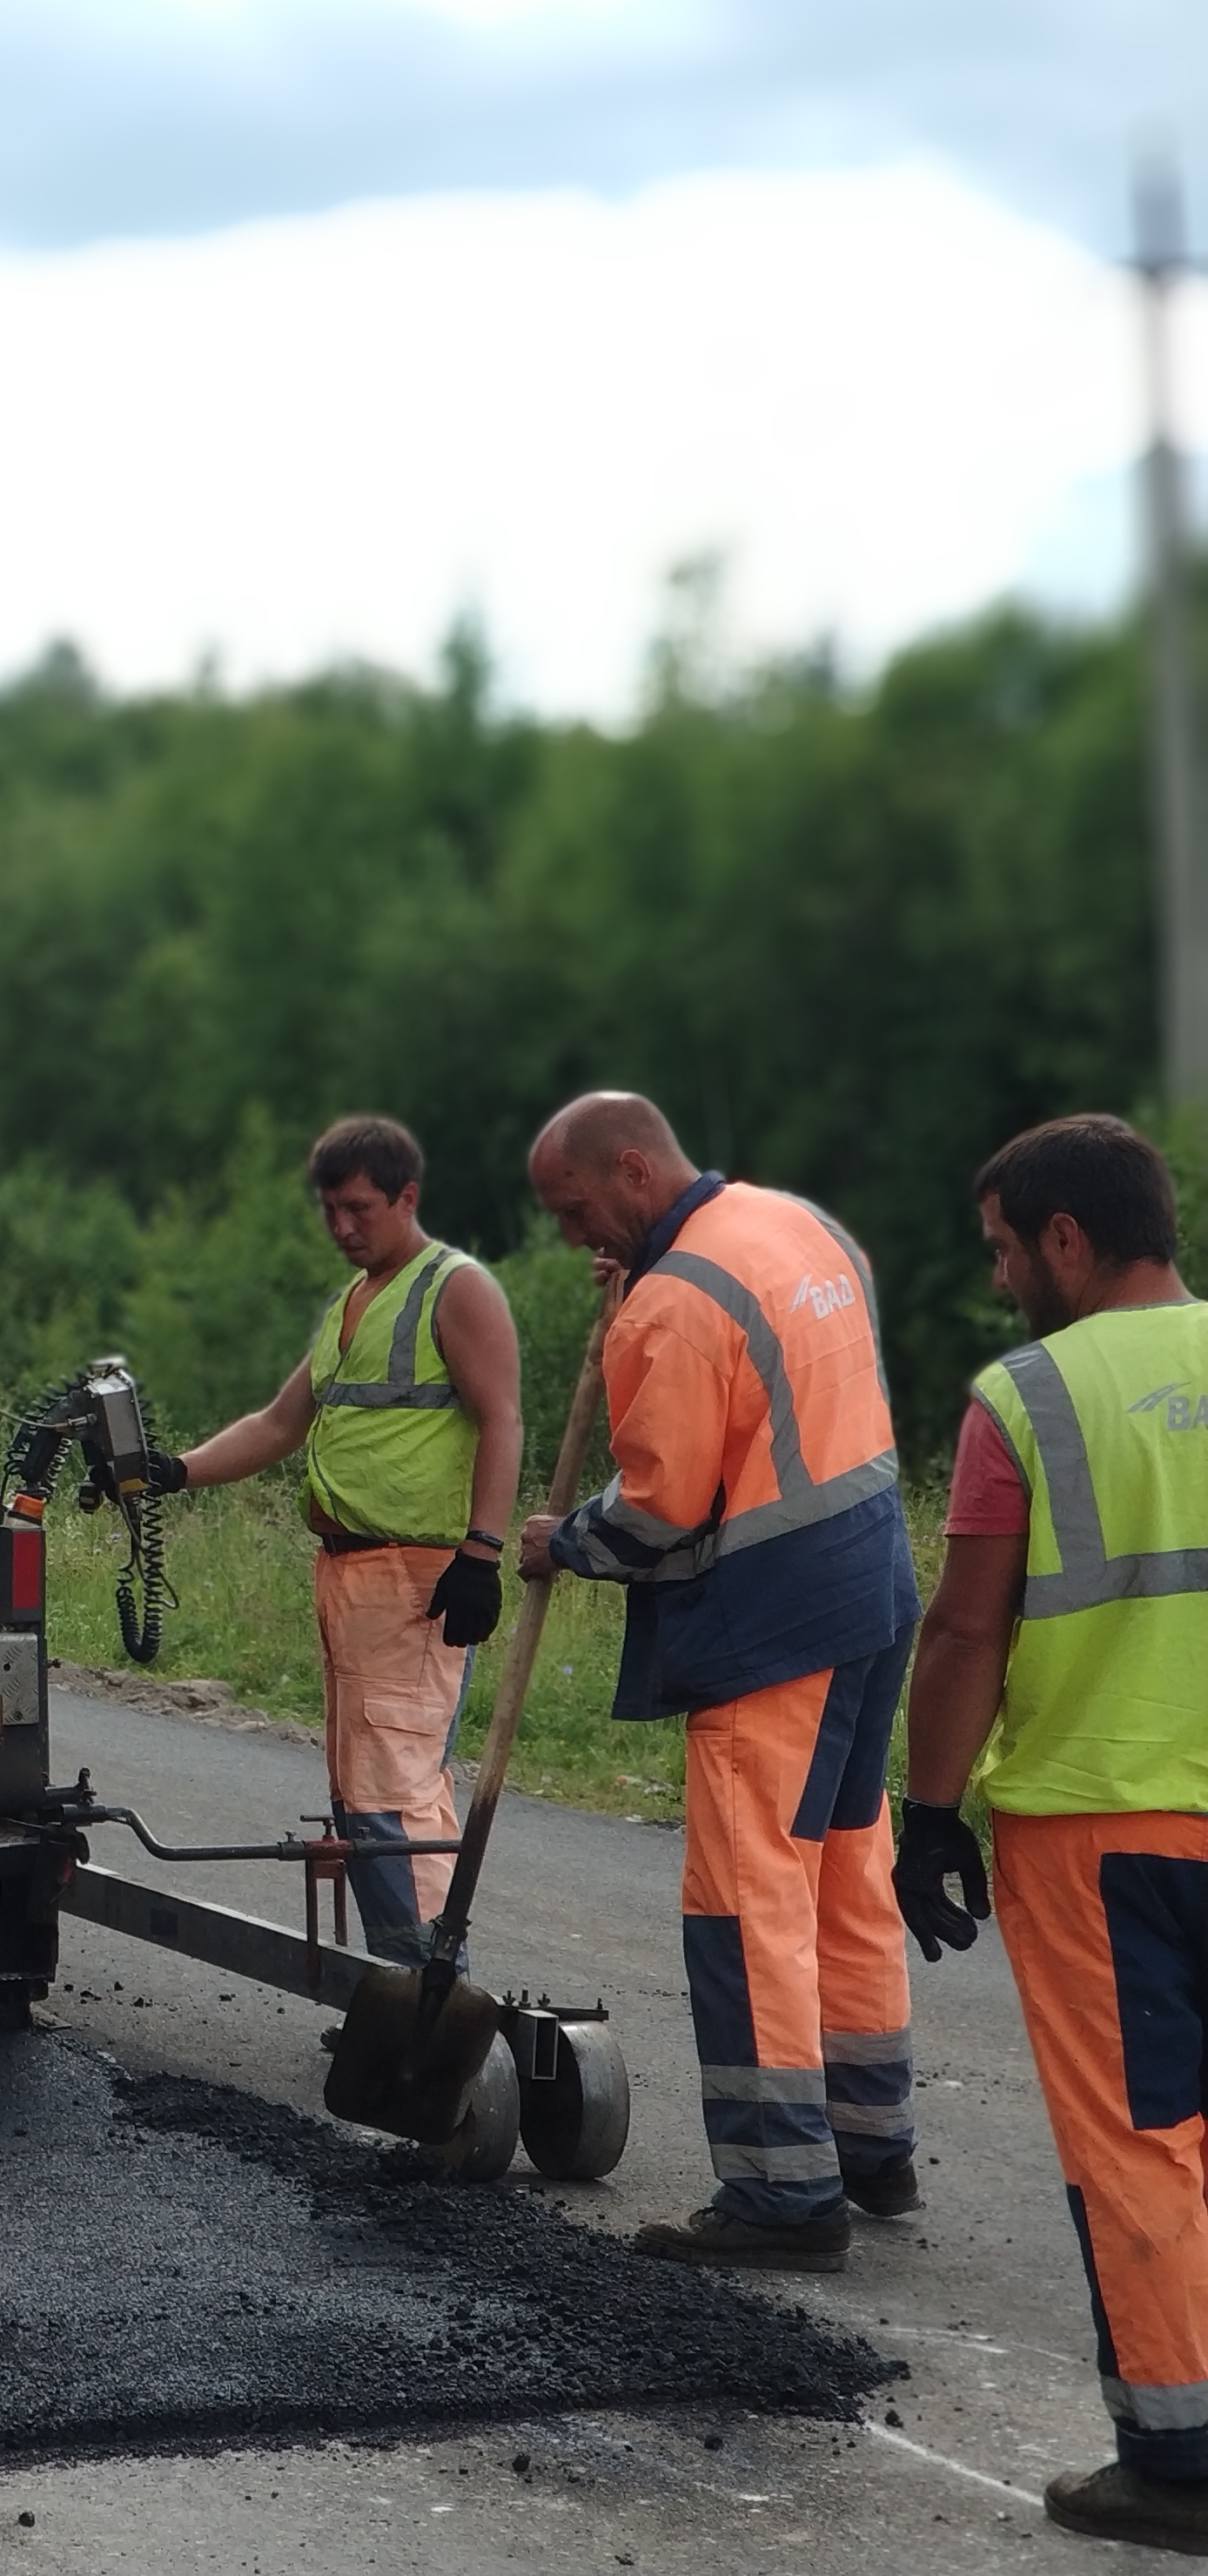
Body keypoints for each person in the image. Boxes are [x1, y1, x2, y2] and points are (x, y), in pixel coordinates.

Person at [518, 1091, 918, 2274]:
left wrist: (561, 1542)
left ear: (632, 1171)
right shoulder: (792, 1227)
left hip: (774, 1630)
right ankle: (867, 2143)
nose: (568, 1234)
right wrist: (641, 1292)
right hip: (871, 1596)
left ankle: (783, 2196)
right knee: (845, 1877)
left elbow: (657, 1507)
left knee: (748, 1913)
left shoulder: (674, 1306)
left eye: (575, 1206)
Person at [893, 1115, 1208, 2556]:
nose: (1005, 1276)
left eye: (1007, 1248)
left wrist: (930, 1817)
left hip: (1103, 1826)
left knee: (1142, 2138)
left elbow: (964, 1631)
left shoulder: (1029, 1397)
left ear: (1068, 1240)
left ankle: (1176, 2454)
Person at [145, 1117, 522, 1962]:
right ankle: (396, 1980)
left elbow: (500, 1418)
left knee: (392, 1781)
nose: (343, 1227)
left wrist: (480, 1554)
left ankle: (429, 1980)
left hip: (413, 1575)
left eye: (358, 1209)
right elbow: (281, 1423)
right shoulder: (353, 1303)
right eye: (329, 1211)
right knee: (362, 1785)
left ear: (405, 1198)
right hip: (349, 1574)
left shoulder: (452, 1288)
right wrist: (173, 1471)